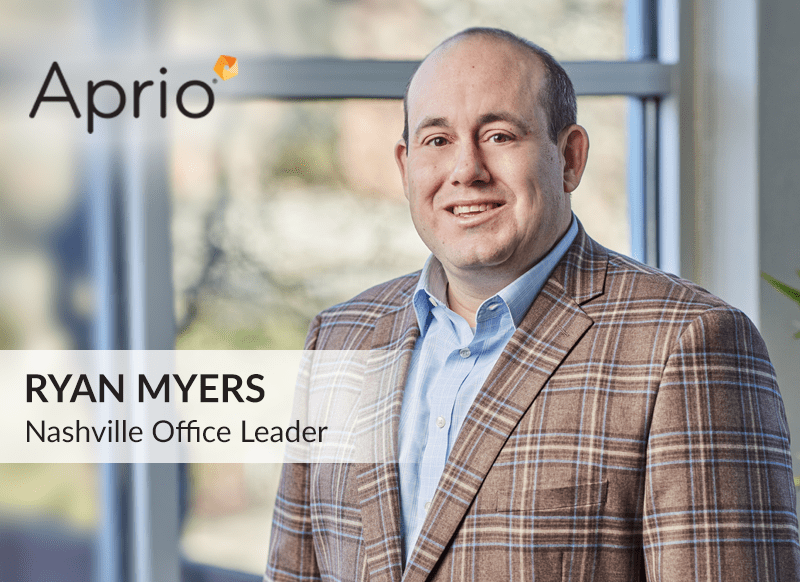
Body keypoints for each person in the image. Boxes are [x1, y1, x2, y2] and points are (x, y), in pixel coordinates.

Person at [265, 27, 800, 581]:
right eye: (437, 140)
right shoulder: (339, 337)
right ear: (405, 167)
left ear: (570, 158)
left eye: (499, 135)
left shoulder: (688, 343)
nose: (466, 170)